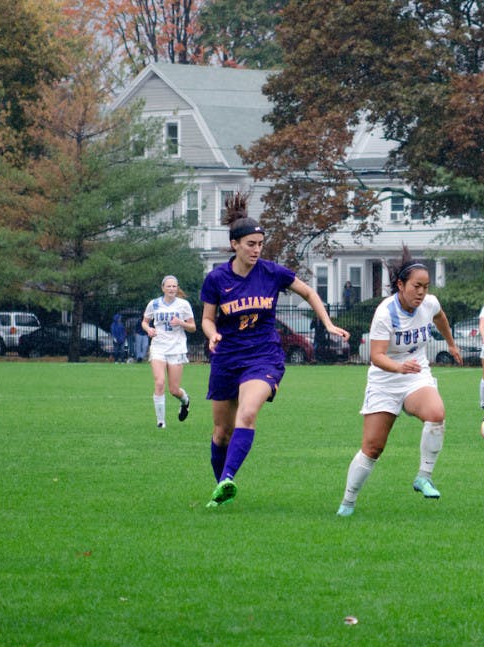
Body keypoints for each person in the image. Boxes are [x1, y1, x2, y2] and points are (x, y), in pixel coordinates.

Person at [202, 194, 349, 508]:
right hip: (227, 358)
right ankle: (220, 489)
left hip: (263, 356)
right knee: (220, 433)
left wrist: (328, 323)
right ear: (235, 245)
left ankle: (228, 477)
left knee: (249, 413)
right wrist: (212, 334)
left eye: (260, 244)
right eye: (251, 244)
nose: (257, 250)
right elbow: (206, 318)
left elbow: (309, 292)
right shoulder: (216, 279)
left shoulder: (271, 272)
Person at [336, 254, 462, 517]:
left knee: (436, 413)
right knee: (373, 448)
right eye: (416, 286)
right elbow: (377, 356)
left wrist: (450, 343)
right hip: (385, 380)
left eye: (426, 287)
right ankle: (347, 503)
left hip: (416, 375)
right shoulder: (385, 313)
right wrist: (399, 367)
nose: (421, 292)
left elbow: (440, 317)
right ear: (400, 285)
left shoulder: (429, 304)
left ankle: (423, 477)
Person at [142, 276, 196, 428]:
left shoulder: (183, 305)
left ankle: (185, 400)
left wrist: (180, 322)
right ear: (163, 288)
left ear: (177, 288)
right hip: (158, 347)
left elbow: (193, 327)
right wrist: (149, 329)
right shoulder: (154, 304)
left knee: (173, 390)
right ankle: (161, 422)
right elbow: (145, 322)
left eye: (174, 286)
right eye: (169, 286)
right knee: (159, 382)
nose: (172, 289)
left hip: (176, 348)